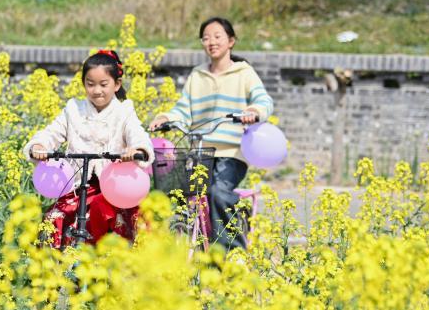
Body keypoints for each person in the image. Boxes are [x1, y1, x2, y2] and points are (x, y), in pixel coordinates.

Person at [149, 17, 274, 250]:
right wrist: (167, 118)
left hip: (231, 153)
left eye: (217, 36)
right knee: (174, 191)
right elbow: (183, 110)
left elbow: (263, 101)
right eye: (206, 38)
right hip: (201, 152)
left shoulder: (244, 73)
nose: (211, 42)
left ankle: (232, 252)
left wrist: (253, 112)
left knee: (217, 192)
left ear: (231, 41)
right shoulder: (197, 75)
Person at [23, 49, 153, 247]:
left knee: (107, 213)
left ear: (117, 85)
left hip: (115, 186)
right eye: (90, 84)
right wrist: (39, 145)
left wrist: (137, 150)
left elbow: (138, 135)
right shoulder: (74, 109)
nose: (96, 90)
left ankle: (106, 263)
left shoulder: (124, 111)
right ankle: (54, 270)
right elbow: (53, 132)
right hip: (78, 185)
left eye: (103, 84)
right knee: (54, 217)